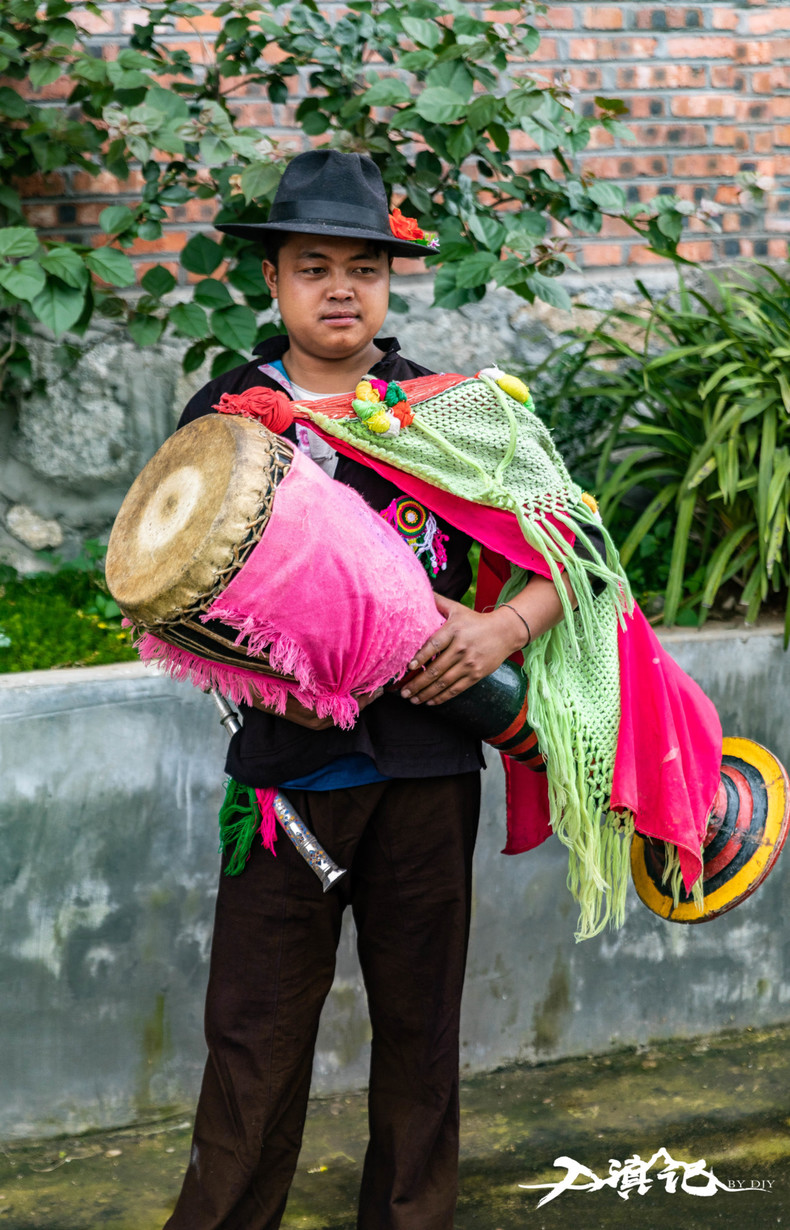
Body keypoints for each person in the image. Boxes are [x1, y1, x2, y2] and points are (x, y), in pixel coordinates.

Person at [164, 150, 581, 1230]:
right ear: (274, 282)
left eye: (364, 267)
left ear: (390, 283)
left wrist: (499, 626)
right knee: (251, 1041)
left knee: (418, 1039)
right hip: (282, 779)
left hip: (430, 767)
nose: (341, 287)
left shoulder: (446, 411)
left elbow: (568, 548)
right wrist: (270, 677)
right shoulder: (228, 419)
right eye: (314, 265)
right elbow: (158, 588)